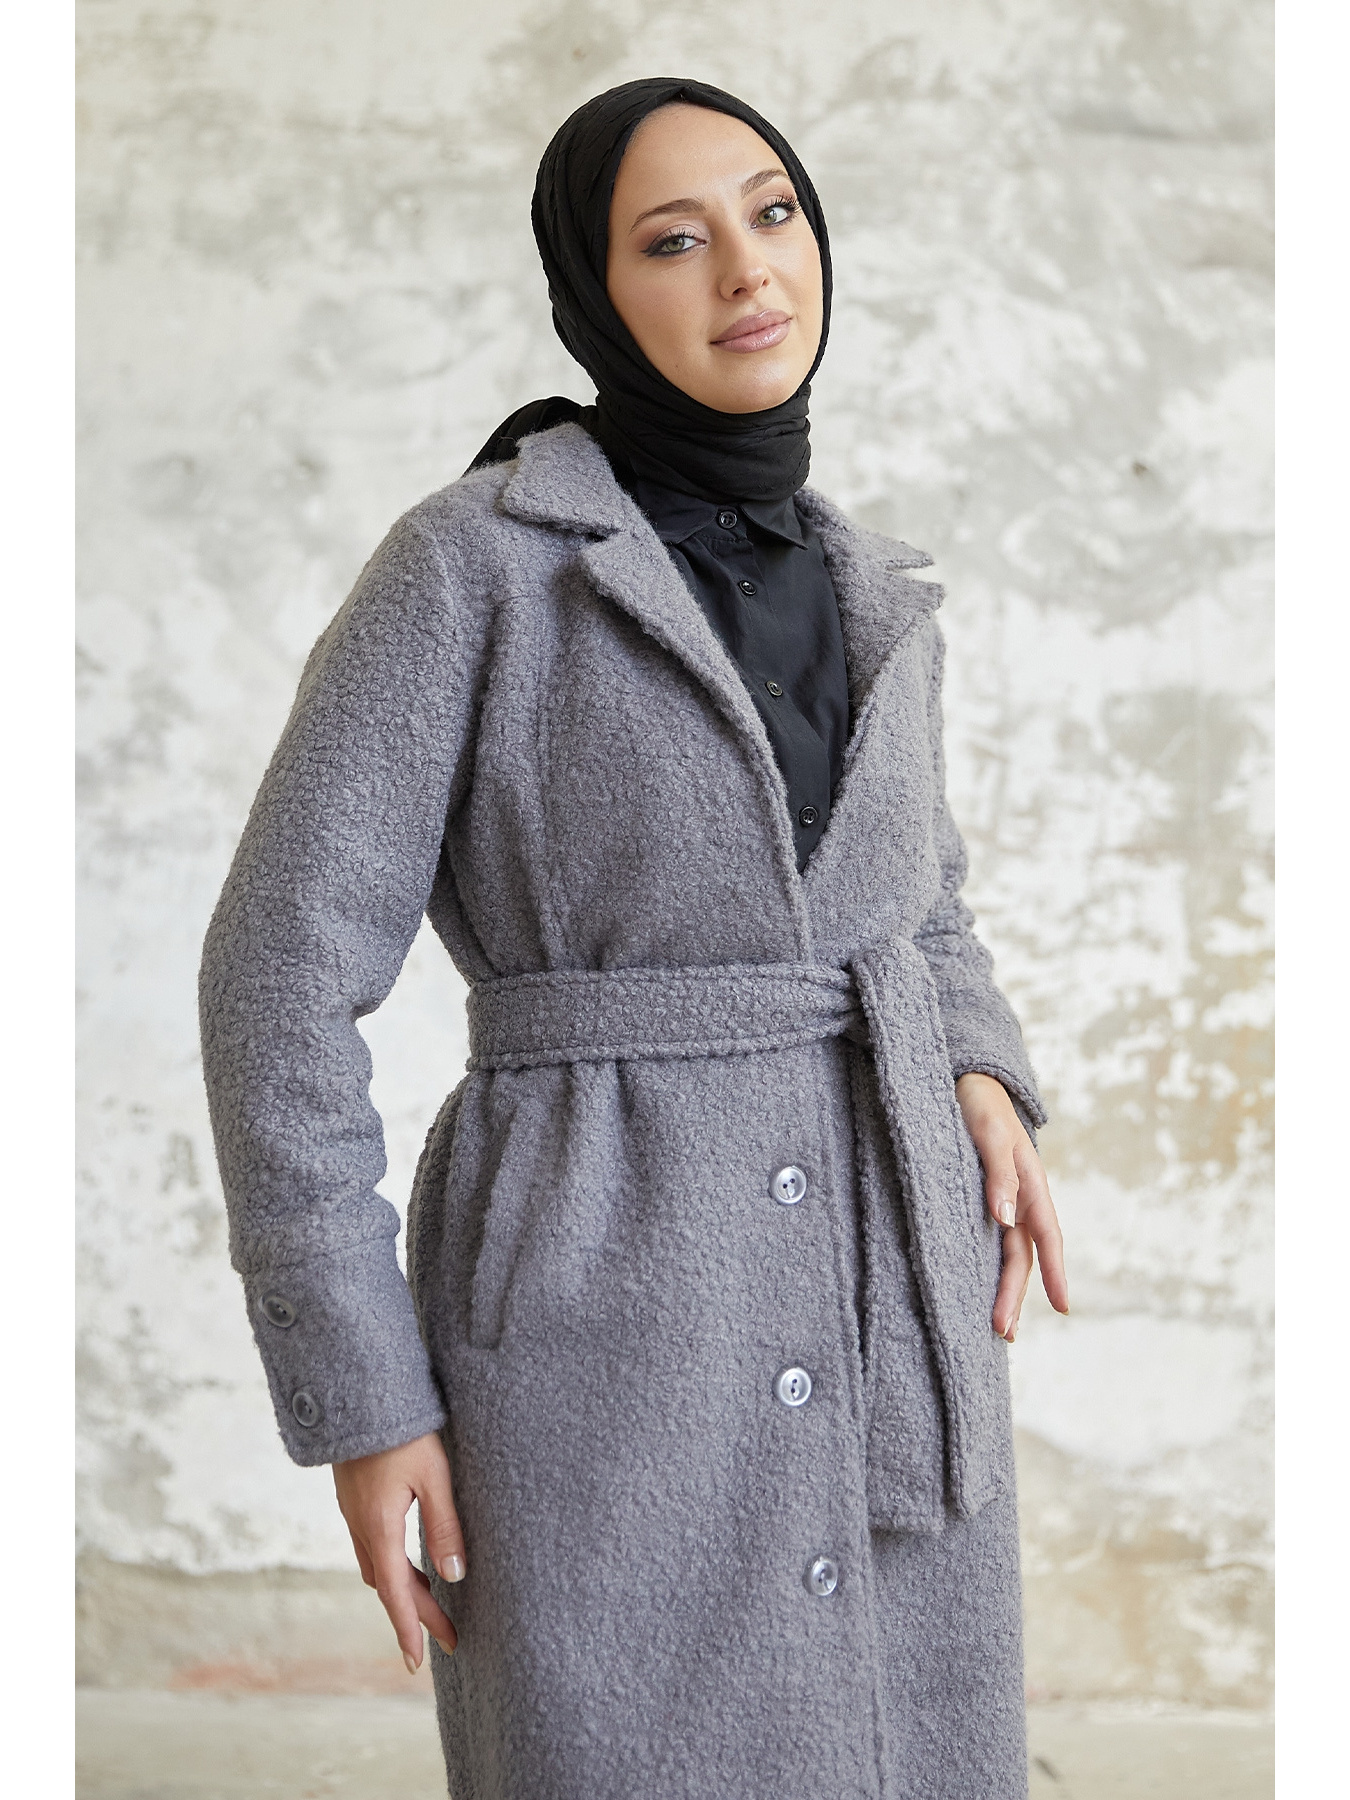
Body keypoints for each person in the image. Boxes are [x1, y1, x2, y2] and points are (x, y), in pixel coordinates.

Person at [199, 76, 1068, 1800]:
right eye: (672, 241)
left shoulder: (870, 586)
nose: (746, 269)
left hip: (889, 1287)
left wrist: (974, 1063)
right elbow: (274, 980)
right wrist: (367, 1397)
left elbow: (918, 900)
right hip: (597, 1299)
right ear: (589, 295)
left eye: (773, 212)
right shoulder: (473, 567)